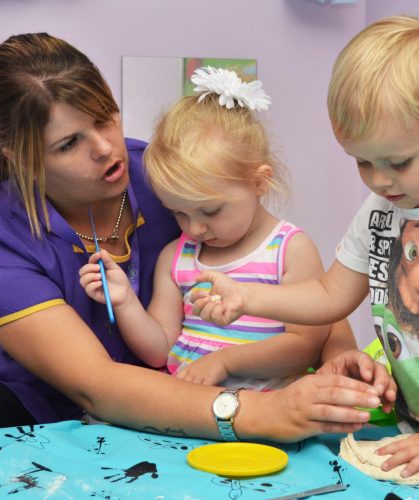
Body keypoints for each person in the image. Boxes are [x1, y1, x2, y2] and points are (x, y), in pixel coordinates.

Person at [0, 32, 391, 440]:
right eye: (68, 144)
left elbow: (297, 286)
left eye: (105, 117)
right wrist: (259, 412)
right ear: (18, 156)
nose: (105, 149)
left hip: (200, 399)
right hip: (61, 421)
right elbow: (95, 386)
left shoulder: (165, 177)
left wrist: (338, 355)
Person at [193, 15, 419, 475]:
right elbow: (330, 295)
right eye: (363, 161)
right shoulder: (383, 204)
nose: (380, 179)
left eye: (398, 162)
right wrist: (250, 297)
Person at [80, 67, 340, 391]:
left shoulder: (289, 250)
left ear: (258, 182)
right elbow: (161, 349)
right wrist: (124, 302)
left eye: (210, 210)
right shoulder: (176, 257)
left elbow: (304, 347)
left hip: (271, 409)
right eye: (178, 213)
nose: (195, 228)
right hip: (193, 411)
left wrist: (225, 361)